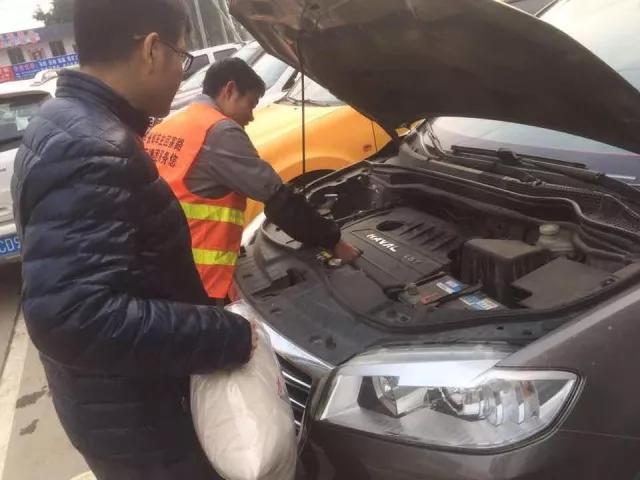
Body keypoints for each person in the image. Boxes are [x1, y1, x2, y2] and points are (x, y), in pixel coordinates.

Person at [11, 1, 256, 478]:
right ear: (151, 49)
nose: (182, 72)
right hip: (144, 427)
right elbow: (73, 317)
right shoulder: (93, 146)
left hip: (111, 410)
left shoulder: (59, 119)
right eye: (182, 56)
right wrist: (227, 335)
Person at [145, 58, 360, 300]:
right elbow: (279, 200)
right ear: (229, 90)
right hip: (201, 279)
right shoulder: (219, 132)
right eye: (250, 104)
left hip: (165, 266)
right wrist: (334, 242)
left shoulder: (168, 126)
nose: (251, 117)